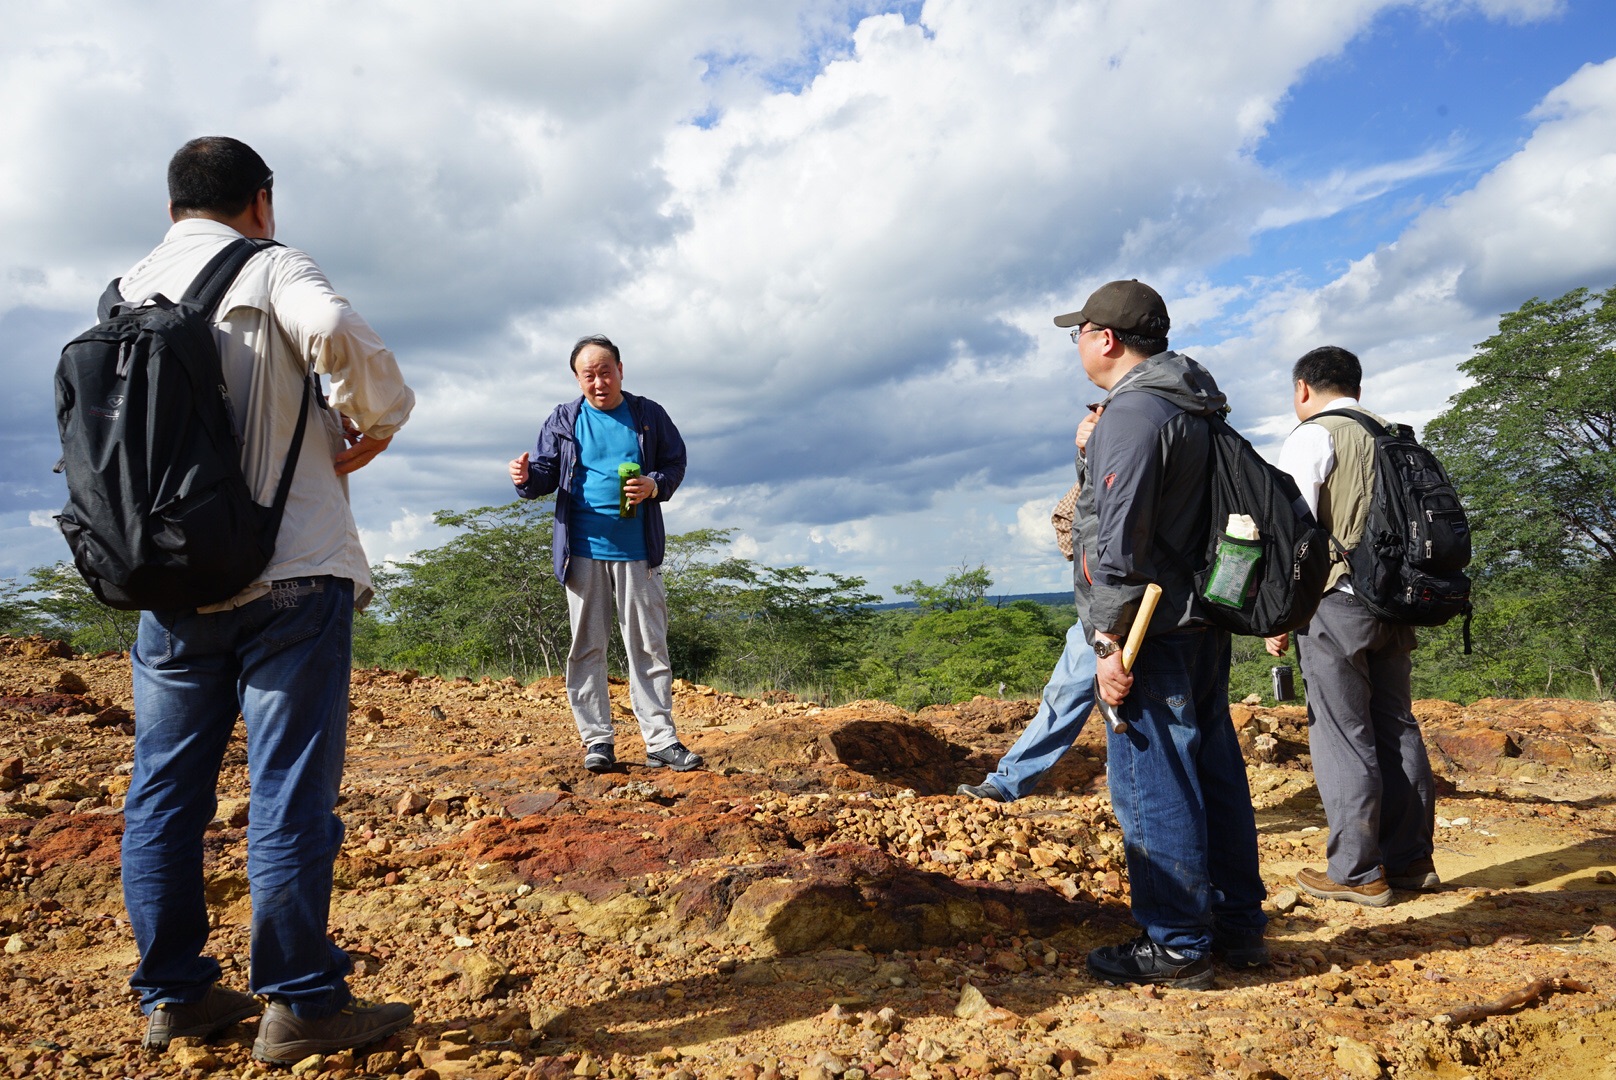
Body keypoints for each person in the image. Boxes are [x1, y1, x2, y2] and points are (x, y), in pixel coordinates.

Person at [116, 138, 416, 1061]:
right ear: (262, 201)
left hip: (170, 584)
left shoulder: (127, 291)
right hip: (293, 574)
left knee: (164, 793)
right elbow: (334, 332)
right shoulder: (271, 263)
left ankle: (175, 995)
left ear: (174, 207)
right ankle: (301, 1002)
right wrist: (379, 420)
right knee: (288, 794)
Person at [1059, 279, 1267, 989]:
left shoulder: (1135, 412)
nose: (1077, 344)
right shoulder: (1196, 403)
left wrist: (1109, 646)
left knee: (1153, 778)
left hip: (1152, 627)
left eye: (1079, 332)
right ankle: (1240, 928)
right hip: (1203, 614)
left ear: (1106, 338)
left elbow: (1116, 544)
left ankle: (1175, 942)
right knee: (1214, 773)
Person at [1264, 346, 1439, 906]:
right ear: (1356, 387)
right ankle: (1412, 860)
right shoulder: (1395, 434)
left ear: (1302, 388)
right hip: (1397, 600)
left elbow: (1296, 535)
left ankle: (1356, 872)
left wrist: (1280, 610)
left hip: (1337, 602)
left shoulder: (1315, 435)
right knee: (1396, 726)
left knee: (1343, 733)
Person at [509, 336, 700, 773]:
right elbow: (542, 474)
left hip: (638, 550)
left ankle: (660, 741)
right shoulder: (563, 418)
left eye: (605, 371)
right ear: (577, 379)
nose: (598, 382)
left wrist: (655, 484)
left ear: (620, 370)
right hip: (583, 550)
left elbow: (675, 462)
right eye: (588, 375)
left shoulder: (648, 415)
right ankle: (597, 741)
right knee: (587, 646)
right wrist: (523, 477)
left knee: (648, 645)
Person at [957, 410, 1102, 802]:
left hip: (1124, 600)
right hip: (1105, 601)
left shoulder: (1145, 430)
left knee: (1166, 712)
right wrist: (1086, 454)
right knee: (1068, 690)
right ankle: (1006, 783)